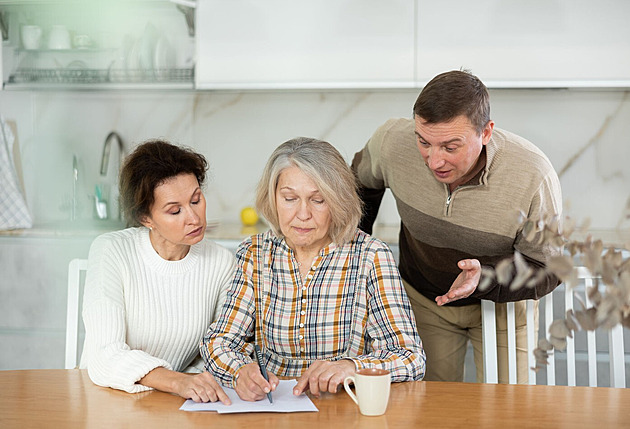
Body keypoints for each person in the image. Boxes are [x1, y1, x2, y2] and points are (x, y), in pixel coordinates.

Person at [351, 70, 563, 384]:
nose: (434, 161)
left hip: (503, 310)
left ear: (486, 132)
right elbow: (356, 189)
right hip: (424, 302)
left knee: (511, 410)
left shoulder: (532, 175)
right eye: (424, 142)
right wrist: (353, 252)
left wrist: (486, 277)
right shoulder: (392, 141)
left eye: (451, 147)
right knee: (429, 408)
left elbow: (550, 267)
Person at [201, 137, 425, 401]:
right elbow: (219, 342)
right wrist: (240, 371)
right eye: (289, 198)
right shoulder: (255, 253)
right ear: (273, 199)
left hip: (344, 406)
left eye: (318, 200)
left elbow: (410, 357)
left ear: (337, 201)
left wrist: (351, 367)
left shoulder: (371, 255)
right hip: (272, 407)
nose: (303, 214)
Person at [80, 140, 235, 404]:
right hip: (106, 398)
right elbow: (105, 354)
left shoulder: (221, 262)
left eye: (196, 200)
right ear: (145, 218)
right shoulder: (112, 251)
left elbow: (218, 348)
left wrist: (192, 382)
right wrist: (177, 381)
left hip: (174, 403)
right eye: (175, 210)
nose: (194, 218)